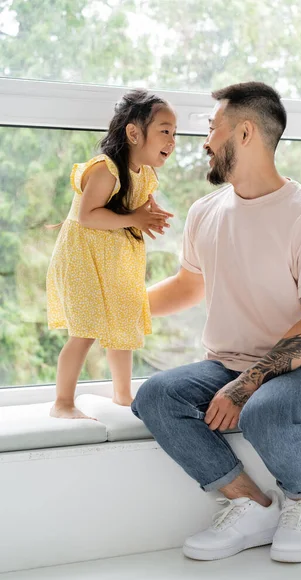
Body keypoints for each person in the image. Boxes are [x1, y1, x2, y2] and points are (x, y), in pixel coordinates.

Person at [132, 81, 301, 563]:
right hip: (225, 362)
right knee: (156, 396)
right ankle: (251, 504)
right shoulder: (205, 212)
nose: (205, 142)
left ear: (245, 133)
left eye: (213, 129)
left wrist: (245, 385)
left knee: (264, 413)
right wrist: (122, 308)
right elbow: (189, 287)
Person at [47, 89, 176, 419]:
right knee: (85, 331)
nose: (172, 140)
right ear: (134, 133)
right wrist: (135, 218)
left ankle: (123, 396)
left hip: (114, 261)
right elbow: (88, 215)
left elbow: (141, 200)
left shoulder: (145, 173)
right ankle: (62, 403)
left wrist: (151, 211)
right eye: (164, 131)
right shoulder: (106, 169)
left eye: (174, 133)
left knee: (123, 325)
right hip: (82, 259)